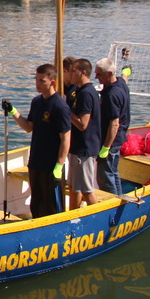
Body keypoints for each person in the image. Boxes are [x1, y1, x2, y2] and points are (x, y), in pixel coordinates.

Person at [3, 63, 71, 218]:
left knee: (51, 206)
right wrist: (13, 111)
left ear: (52, 82)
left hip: (51, 164)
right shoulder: (36, 102)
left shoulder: (60, 106)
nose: (37, 84)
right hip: (35, 161)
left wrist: (58, 166)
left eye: (42, 81)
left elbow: (66, 139)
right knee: (37, 203)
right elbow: (28, 127)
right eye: (36, 80)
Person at [64, 58, 100, 209]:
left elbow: (83, 124)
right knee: (74, 186)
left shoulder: (86, 93)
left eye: (73, 71)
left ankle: (100, 218)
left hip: (84, 149)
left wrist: (66, 111)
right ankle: (72, 216)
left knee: (86, 189)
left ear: (83, 72)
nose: (70, 74)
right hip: (76, 147)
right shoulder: (78, 91)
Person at [96, 57, 131, 195]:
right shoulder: (121, 83)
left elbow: (114, 123)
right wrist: (126, 72)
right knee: (113, 172)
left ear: (109, 74)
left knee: (105, 176)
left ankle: (110, 203)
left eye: (99, 74)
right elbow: (124, 78)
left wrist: (105, 147)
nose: (96, 77)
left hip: (112, 140)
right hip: (120, 138)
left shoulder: (111, 95)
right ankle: (118, 197)